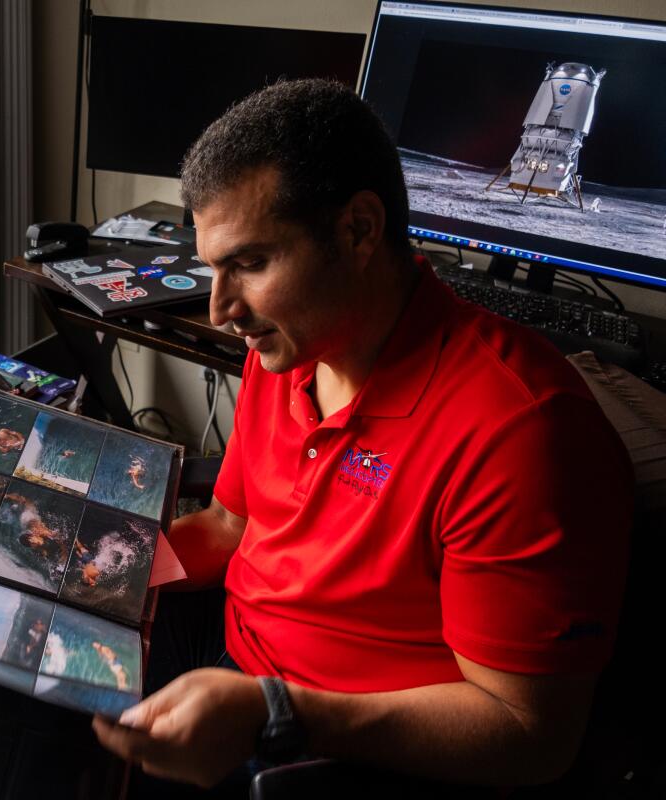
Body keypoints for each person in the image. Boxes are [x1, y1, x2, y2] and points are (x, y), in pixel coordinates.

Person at [91, 79, 633, 793]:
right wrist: (100, 574)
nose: (222, 309)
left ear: (359, 231)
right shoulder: (284, 347)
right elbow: (229, 525)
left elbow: (531, 734)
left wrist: (275, 714)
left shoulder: (522, 430)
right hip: (239, 663)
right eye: (212, 268)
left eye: (250, 264)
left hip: (357, 743)